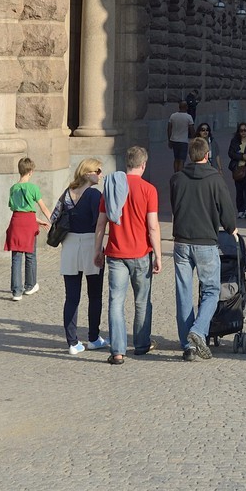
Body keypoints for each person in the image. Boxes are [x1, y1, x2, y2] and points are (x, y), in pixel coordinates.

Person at [170, 134, 238, 359]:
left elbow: (175, 205)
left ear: (191, 155)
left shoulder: (177, 179)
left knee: (184, 292)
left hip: (181, 241)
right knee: (211, 290)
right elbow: (227, 211)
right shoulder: (216, 180)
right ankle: (198, 331)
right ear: (207, 155)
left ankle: (187, 346)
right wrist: (231, 228)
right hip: (206, 242)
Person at [93, 145, 161, 364]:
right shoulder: (149, 190)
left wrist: (97, 250)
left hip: (115, 253)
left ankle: (118, 351)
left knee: (116, 301)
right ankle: (141, 345)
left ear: (127, 164)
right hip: (141, 253)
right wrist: (158, 255)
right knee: (142, 301)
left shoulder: (112, 188)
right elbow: (152, 226)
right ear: (143, 165)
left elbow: (101, 223)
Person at [51, 158, 107, 355]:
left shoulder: (67, 193)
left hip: (70, 244)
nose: (101, 174)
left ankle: (72, 342)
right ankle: (93, 337)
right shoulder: (94, 195)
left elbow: (53, 217)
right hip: (91, 243)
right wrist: (99, 250)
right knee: (95, 295)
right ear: (87, 173)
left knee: (72, 296)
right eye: (98, 170)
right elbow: (99, 223)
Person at [4, 156, 52, 301]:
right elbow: (42, 208)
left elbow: (17, 209)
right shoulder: (33, 188)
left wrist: (38, 221)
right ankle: (30, 285)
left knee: (16, 257)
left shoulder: (13, 188)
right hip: (29, 224)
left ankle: (16, 292)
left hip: (16, 222)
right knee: (30, 255)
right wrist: (52, 220)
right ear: (31, 171)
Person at [167, 100, 194, 173]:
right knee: (182, 160)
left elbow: (169, 128)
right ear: (186, 107)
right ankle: (180, 175)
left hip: (174, 140)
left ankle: (175, 173)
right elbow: (191, 129)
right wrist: (194, 138)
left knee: (176, 159)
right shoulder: (188, 117)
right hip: (183, 141)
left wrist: (169, 140)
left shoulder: (173, 116)